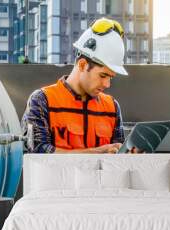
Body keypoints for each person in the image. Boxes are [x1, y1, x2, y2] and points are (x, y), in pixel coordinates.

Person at [22, 18, 133, 154]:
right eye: (103, 76)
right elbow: (38, 152)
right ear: (82, 64)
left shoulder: (112, 107)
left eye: (111, 77)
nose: (107, 84)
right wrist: (96, 153)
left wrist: (132, 155)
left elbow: (118, 156)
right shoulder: (42, 100)